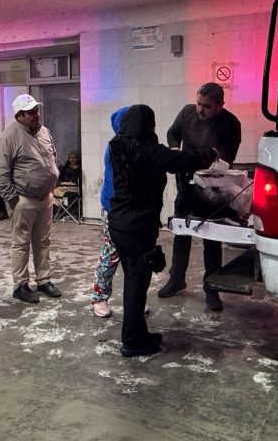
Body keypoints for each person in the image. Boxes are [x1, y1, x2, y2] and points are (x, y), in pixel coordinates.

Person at [109, 104, 217, 357]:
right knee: (137, 283)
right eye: (152, 124)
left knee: (132, 280)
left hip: (118, 223)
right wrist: (210, 153)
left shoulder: (117, 146)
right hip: (138, 226)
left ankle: (137, 333)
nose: (155, 129)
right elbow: (182, 160)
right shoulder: (148, 151)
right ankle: (133, 342)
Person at [159, 82, 242, 311]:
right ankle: (176, 279)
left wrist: (187, 159)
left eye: (206, 106)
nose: (200, 110)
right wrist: (175, 148)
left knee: (211, 238)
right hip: (185, 183)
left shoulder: (231, 124)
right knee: (181, 231)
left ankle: (212, 289)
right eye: (198, 103)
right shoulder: (186, 112)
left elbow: (223, 159)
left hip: (213, 187)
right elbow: (172, 132)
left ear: (220, 106)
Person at [0, 93, 62, 304]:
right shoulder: (9, 137)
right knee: (21, 243)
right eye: (30, 112)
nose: (36, 115)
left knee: (43, 241)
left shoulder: (44, 132)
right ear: (19, 115)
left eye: (36, 110)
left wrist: (50, 180)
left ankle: (43, 280)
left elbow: (52, 156)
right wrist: (13, 200)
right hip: (23, 199)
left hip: (45, 197)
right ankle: (20, 285)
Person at [90, 107, 129, 318]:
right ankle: (99, 297)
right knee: (112, 253)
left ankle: (134, 299)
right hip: (114, 208)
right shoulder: (115, 148)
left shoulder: (135, 144)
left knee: (134, 257)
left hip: (132, 211)